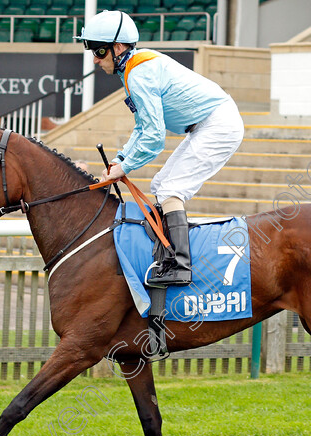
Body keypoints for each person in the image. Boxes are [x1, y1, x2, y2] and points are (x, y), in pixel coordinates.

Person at [76, 10, 244, 286]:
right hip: (208, 123)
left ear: (118, 48)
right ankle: (167, 255)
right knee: (161, 183)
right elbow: (143, 128)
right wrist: (119, 159)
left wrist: (123, 168)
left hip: (217, 124)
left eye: (99, 50)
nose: (95, 58)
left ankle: (180, 265)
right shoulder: (133, 69)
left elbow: (154, 139)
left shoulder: (138, 73)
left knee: (169, 190)